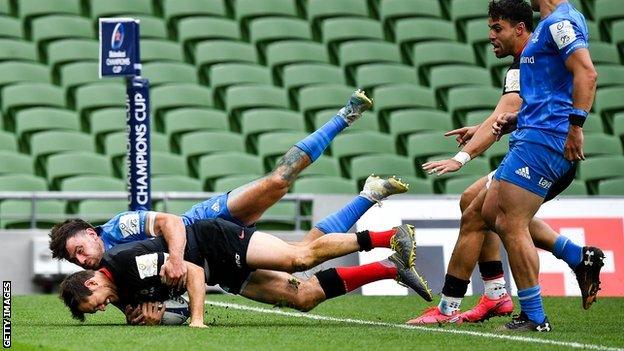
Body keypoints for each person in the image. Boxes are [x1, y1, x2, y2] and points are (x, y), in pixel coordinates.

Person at [49, 89, 409, 282]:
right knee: (300, 256)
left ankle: (344, 116)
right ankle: (369, 195)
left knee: (279, 181)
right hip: (214, 262)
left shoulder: (117, 228)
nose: (82, 260)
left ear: (92, 233)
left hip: (203, 226)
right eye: (74, 259)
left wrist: (175, 259)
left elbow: (169, 223)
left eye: (79, 248)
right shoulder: (103, 280)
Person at [408, 0, 604, 326]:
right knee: (484, 208)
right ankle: (570, 259)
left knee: (492, 215)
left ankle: (465, 308)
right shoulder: (543, 37)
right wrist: (514, 120)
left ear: (519, 28)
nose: (491, 36)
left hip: (542, 144)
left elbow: (586, 73)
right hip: (535, 137)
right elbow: (528, 104)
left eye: (496, 28)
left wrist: (463, 156)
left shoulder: (552, 30)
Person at [477, 0, 599, 332]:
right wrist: (520, 117)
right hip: (533, 130)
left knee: (511, 222)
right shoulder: (547, 24)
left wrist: (576, 126)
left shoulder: (561, 23)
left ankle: (534, 315)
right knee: (488, 212)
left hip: (547, 138)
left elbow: (586, 72)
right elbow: (553, 85)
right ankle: (577, 256)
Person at [59, 219, 433, 326]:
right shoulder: (119, 295)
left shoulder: (121, 264)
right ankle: (388, 269)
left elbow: (188, 272)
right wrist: (151, 318)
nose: (102, 308)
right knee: (303, 298)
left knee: (299, 258)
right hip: (220, 271)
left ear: (93, 284)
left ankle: (388, 236)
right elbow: (161, 305)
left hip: (213, 243)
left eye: (95, 304)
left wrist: (197, 321)